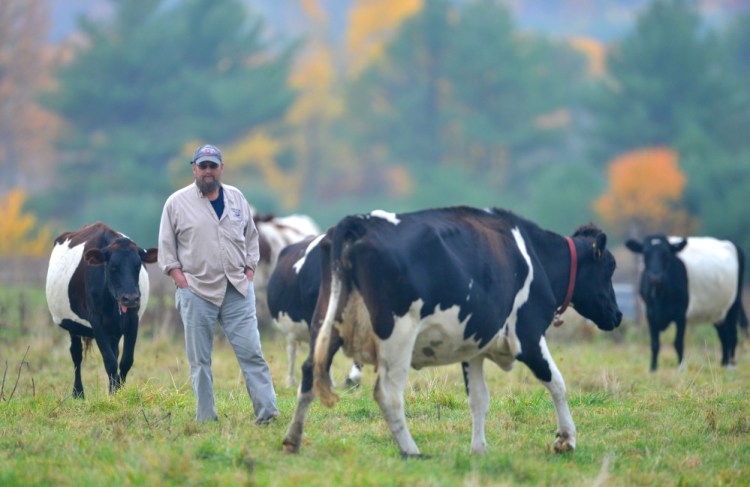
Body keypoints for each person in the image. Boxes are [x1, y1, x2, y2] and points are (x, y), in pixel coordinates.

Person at [158, 143, 279, 424]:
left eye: (213, 166)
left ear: (221, 168)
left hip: (237, 288)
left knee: (252, 352)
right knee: (200, 361)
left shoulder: (237, 199)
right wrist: (180, 280)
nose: (208, 171)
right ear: (194, 169)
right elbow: (166, 249)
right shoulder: (175, 203)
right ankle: (205, 419)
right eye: (203, 166)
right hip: (197, 291)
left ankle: (268, 414)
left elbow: (252, 238)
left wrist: (249, 270)